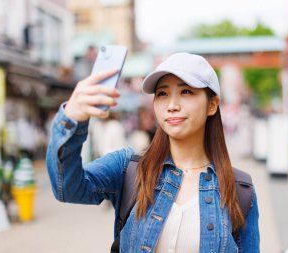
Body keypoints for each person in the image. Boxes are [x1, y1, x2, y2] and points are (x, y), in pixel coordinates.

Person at [46, 52, 260, 252]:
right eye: (162, 94)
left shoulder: (240, 189)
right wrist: (71, 119)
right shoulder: (128, 168)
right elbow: (67, 187)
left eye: (186, 91)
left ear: (212, 105)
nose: (172, 105)